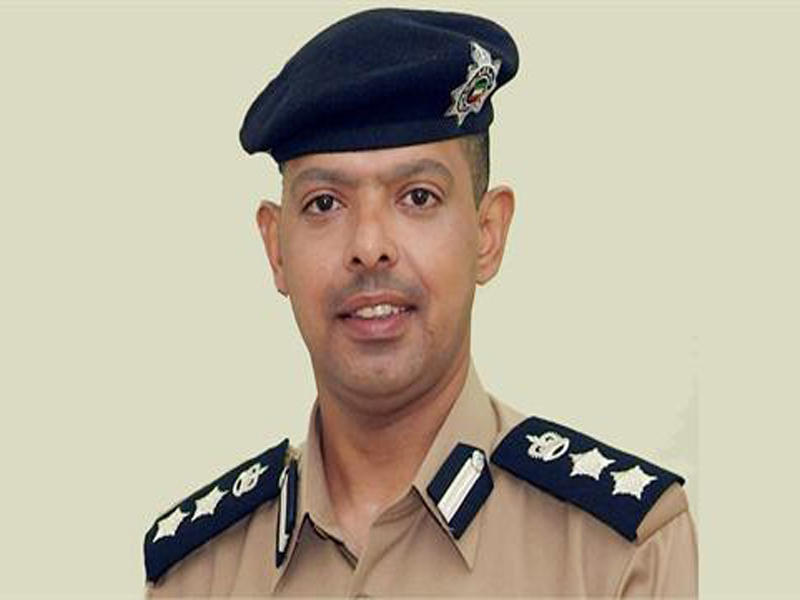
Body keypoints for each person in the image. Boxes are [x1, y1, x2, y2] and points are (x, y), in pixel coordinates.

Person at [143, 7, 697, 597]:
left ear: (488, 234)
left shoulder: (613, 556)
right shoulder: (198, 574)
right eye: (325, 203)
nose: (370, 247)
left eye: (418, 197)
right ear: (276, 248)